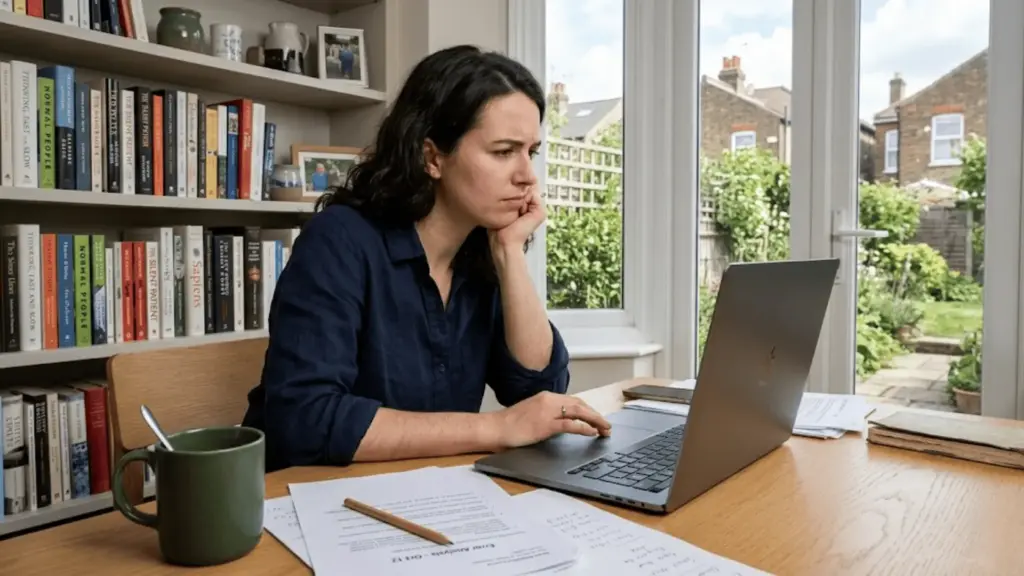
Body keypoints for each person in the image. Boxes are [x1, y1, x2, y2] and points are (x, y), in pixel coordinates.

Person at [242, 45, 612, 472]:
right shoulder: (340, 241)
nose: (528, 175)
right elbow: (306, 420)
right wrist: (494, 429)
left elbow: (539, 391)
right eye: (503, 151)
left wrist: (510, 253)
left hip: (425, 494)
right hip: (305, 501)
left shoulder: (480, 252)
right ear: (433, 157)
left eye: (531, 152)